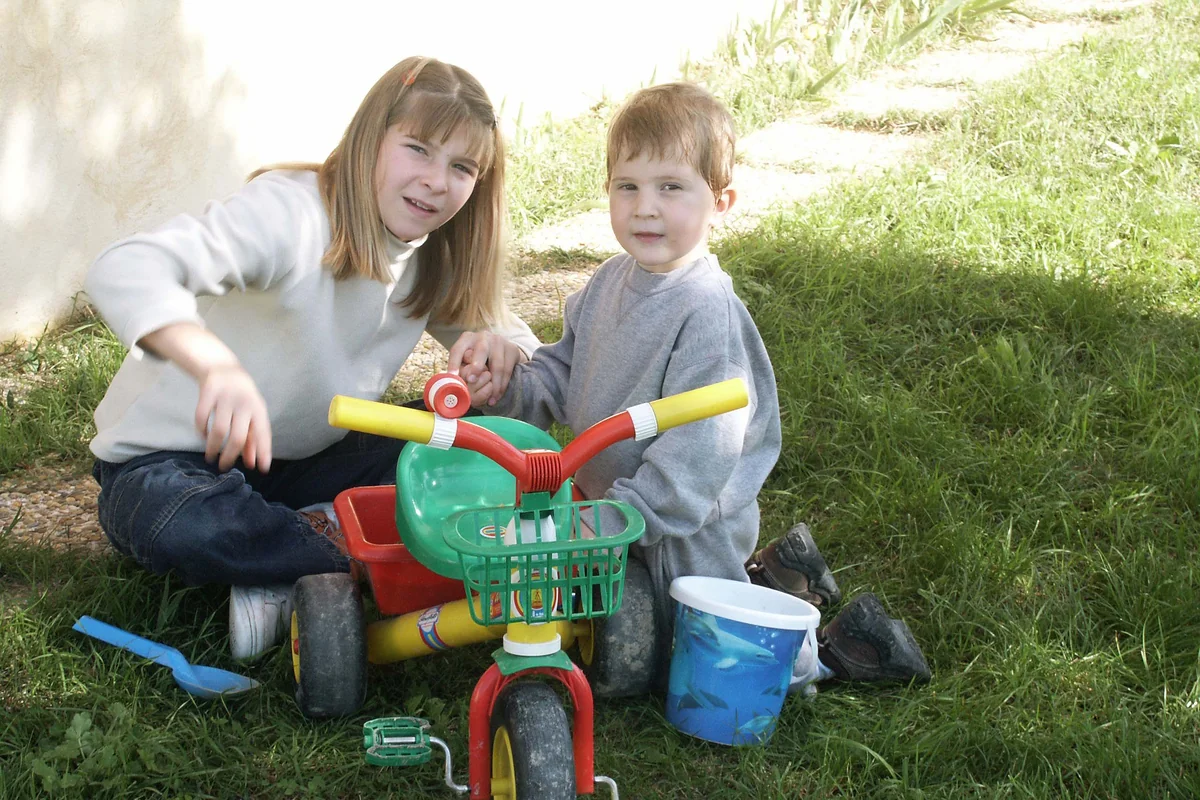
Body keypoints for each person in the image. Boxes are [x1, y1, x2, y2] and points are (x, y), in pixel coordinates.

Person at [468, 82, 929, 690]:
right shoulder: (608, 281)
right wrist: (503, 390)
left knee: (712, 654)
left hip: (686, 520)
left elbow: (699, 454)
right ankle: (784, 569)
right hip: (618, 507)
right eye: (627, 187)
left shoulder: (706, 314)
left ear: (721, 202)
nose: (645, 208)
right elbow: (560, 374)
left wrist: (621, 519)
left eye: (671, 187)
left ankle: (831, 654)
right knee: (620, 615)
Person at [84, 56, 539, 660]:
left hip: (306, 463)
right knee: (186, 524)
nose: (436, 180)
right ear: (371, 138)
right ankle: (348, 548)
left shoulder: (434, 254)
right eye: (418, 149)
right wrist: (213, 365)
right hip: (169, 466)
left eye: (462, 167)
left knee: (484, 442)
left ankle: (291, 558)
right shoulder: (291, 214)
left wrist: (501, 351)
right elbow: (125, 266)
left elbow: (523, 347)